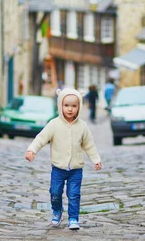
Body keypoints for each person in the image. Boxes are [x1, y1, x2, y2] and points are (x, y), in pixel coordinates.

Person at [25, 87, 102, 230]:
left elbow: (89, 144)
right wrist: (32, 150)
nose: (70, 109)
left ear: (79, 106)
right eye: (66, 105)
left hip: (76, 169)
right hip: (58, 168)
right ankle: (57, 211)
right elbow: (41, 138)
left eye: (74, 106)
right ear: (60, 105)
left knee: (74, 194)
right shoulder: (54, 124)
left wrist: (96, 159)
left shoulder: (82, 126)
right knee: (55, 192)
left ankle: (73, 218)